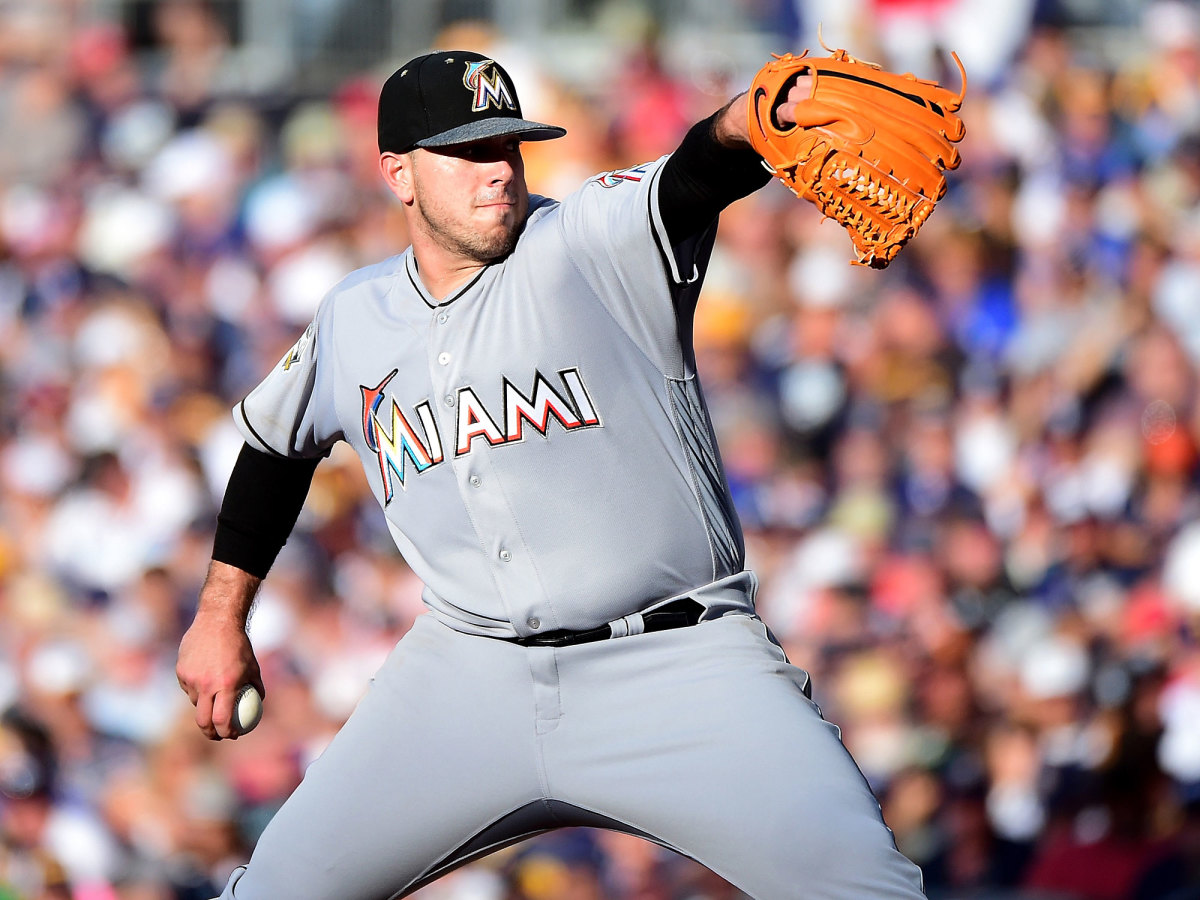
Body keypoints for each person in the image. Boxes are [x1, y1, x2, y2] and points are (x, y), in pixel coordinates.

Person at [176, 49, 927, 899]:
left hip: (677, 662)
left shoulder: (582, 244)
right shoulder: (355, 315)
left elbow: (687, 178)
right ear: (399, 175)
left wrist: (744, 126)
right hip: (466, 675)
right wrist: (219, 615)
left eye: (509, 148)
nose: (498, 172)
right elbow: (274, 449)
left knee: (868, 887)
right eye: (467, 153)